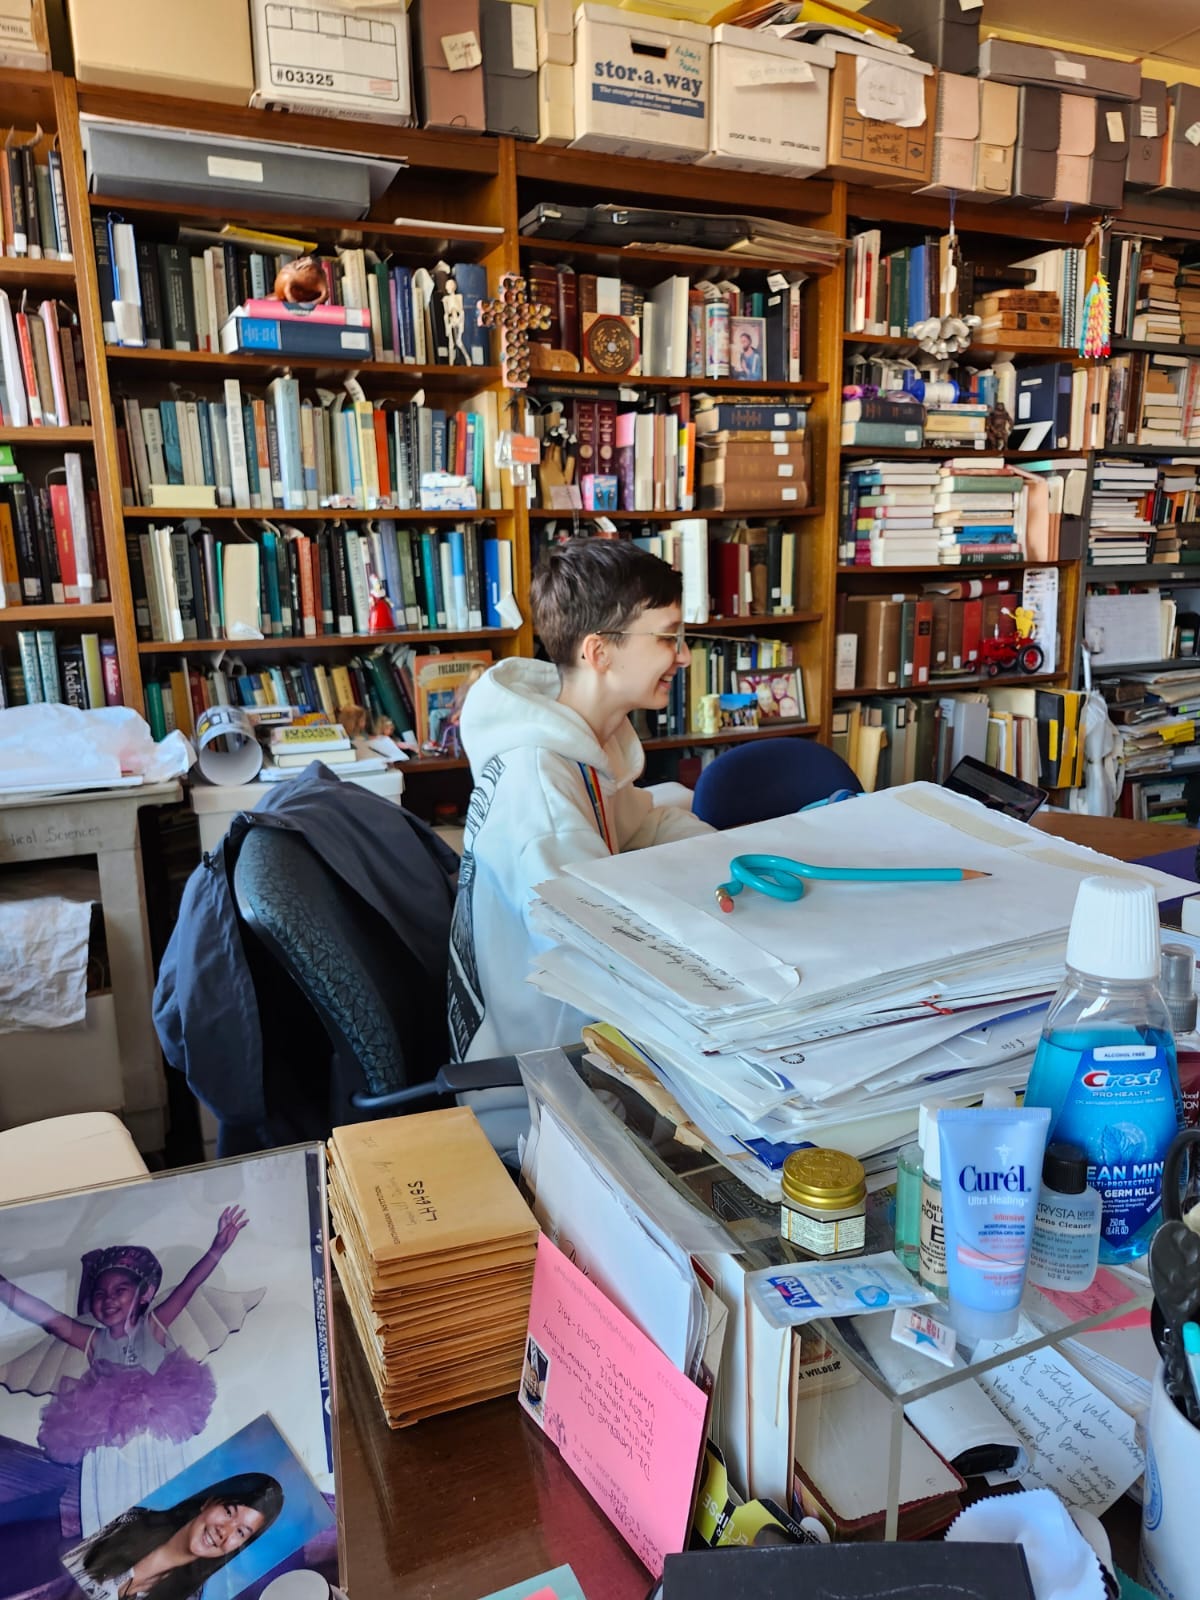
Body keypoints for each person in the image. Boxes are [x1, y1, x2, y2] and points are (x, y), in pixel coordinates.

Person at [447, 539, 712, 1061]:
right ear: (599, 652)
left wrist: (731, 851)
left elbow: (641, 826)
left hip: (572, 1042)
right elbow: (599, 962)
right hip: (548, 1075)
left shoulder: (577, 740)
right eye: (666, 639)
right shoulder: (543, 791)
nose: (682, 656)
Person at [0, 1210, 262, 1535]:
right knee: (116, 1499)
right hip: (110, 1441)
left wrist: (217, 1249)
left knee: (167, 1494)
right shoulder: (92, 1339)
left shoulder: (154, 1325)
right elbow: (47, 1316)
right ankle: (115, 1554)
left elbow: (190, 1285)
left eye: (120, 1290)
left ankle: (172, 1542)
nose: (108, 1300)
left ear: (146, 1293)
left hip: (158, 1433)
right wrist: (3, 1286)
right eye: (100, 1294)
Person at [61, 1471, 283, 1600]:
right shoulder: (131, 1520)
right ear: (208, 1502)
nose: (224, 1531)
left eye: (241, 1532)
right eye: (228, 1512)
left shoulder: (188, 1596)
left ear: (240, 1546)